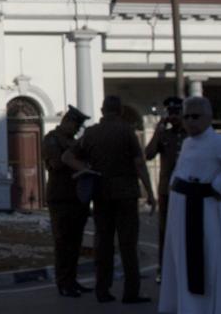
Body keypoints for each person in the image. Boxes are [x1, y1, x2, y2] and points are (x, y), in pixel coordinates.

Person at [158, 96, 221, 314]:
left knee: (207, 261)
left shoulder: (219, 142)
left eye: (196, 116)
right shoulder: (189, 142)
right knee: (180, 261)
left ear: (209, 118)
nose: (190, 121)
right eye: (187, 116)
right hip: (181, 211)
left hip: (203, 211)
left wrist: (219, 185)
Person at [63, 95, 156, 304]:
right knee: (128, 245)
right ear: (121, 110)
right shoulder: (127, 131)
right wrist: (150, 192)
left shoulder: (91, 133)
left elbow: (67, 157)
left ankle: (102, 290)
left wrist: (86, 170)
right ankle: (131, 292)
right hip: (126, 195)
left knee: (103, 243)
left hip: (101, 194)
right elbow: (139, 164)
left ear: (103, 110)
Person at [43, 106, 92, 297]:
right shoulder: (52, 139)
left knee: (75, 242)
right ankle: (63, 282)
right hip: (60, 196)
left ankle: (72, 279)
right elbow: (55, 164)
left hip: (77, 196)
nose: (76, 129)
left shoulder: (72, 141)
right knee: (63, 242)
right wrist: (73, 152)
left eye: (79, 126)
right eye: (75, 125)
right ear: (66, 122)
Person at [146, 96, 187, 283]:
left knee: (188, 231)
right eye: (171, 113)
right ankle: (164, 269)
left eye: (177, 113)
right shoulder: (165, 135)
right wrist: (158, 129)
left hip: (188, 190)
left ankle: (187, 268)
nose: (174, 117)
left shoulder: (190, 134)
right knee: (165, 232)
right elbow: (148, 154)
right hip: (167, 191)